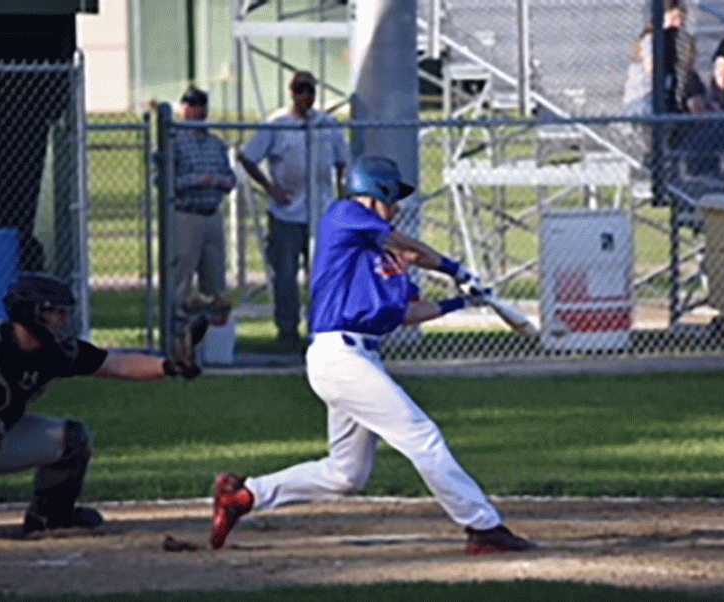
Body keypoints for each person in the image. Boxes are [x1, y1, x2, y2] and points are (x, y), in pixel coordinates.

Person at [210, 156, 533, 555]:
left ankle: (243, 497)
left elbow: (406, 314)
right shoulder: (344, 216)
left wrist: (460, 303)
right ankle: (483, 527)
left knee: (346, 475)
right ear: (375, 192)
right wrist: (455, 268)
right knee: (423, 437)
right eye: (392, 197)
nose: (396, 207)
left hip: (360, 360)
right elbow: (405, 242)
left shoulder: (384, 263)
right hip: (338, 355)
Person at [0, 273, 202, 549]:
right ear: (30, 312)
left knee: (72, 439)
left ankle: (51, 518)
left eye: (65, 312)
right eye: (55, 312)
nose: (64, 319)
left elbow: (114, 365)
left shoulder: (55, 351)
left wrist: (171, 367)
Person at [237, 71, 349, 353]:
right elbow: (248, 157)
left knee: (322, 275)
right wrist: (270, 187)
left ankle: (320, 330)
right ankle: (287, 332)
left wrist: (342, 200)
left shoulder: (327, 124)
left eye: (310, 90)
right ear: (291, 93)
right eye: (300, 90)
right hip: (287, 215)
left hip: (322, 214)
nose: (305, 96)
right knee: (286, 276)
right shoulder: (277, 126)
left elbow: (343, 163)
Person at [170, 85, 236, 323]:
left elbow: (230, 177)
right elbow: (163, 180)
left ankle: (213, 332)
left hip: (213, 214)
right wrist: (195, 181)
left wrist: (222, 181)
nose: (196, 111)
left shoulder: (216, 144)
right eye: (191, 105)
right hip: (187, 214)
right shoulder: (173, 141)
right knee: (183, 273)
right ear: (183, 109)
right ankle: (178, 330)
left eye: (200, 105)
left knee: (215, 276)